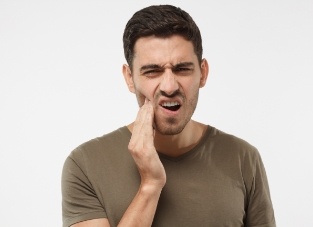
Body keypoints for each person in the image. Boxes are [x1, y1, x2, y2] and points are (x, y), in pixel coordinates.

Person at [61, 4, 276, 227]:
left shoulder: (244, 158)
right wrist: (150, 185)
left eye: (182, 69)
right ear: (129, 77)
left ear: (203, 73)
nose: (170, 86)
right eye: (152, 71)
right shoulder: (86, 164)